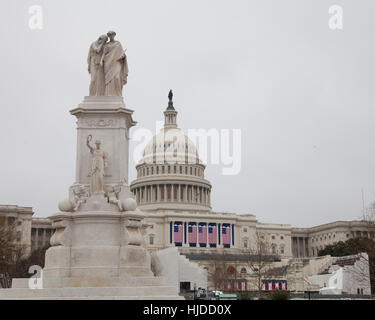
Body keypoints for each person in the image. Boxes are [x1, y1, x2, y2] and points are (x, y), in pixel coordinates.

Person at [101, 31, 128, 96]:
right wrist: (101, 61)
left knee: (117, 78)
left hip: (117, 62)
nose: (111, 36)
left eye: (112, 35)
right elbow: (104, 54)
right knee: (108, 80)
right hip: (108, 63)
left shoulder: (118, 44)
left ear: (114, 35)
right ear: (108, 36)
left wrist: (123, 56)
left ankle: (118, 94)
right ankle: (108, 94)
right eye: (109, 35)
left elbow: (122, 53)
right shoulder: (106, 45)